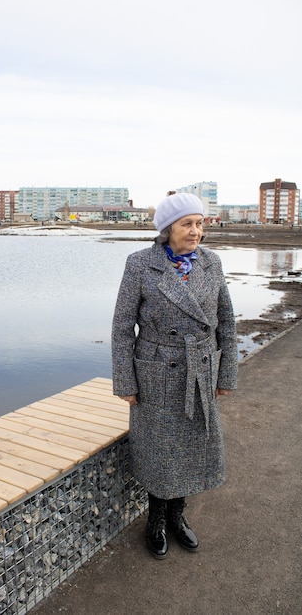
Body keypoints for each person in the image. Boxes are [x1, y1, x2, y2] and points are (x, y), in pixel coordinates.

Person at [112, 192, 238, 559]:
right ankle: (155, 520)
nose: (196, 231)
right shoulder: (140, 264)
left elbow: (226, 321)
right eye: (187, 224)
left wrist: (225, 374)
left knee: (188, 449)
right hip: (156, 373)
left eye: (200, 223)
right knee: (160, 452)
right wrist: (126, 382)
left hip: (199, 369)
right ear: (168, 229)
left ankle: (177, 517)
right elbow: (122, 327)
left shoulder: (212, 263)